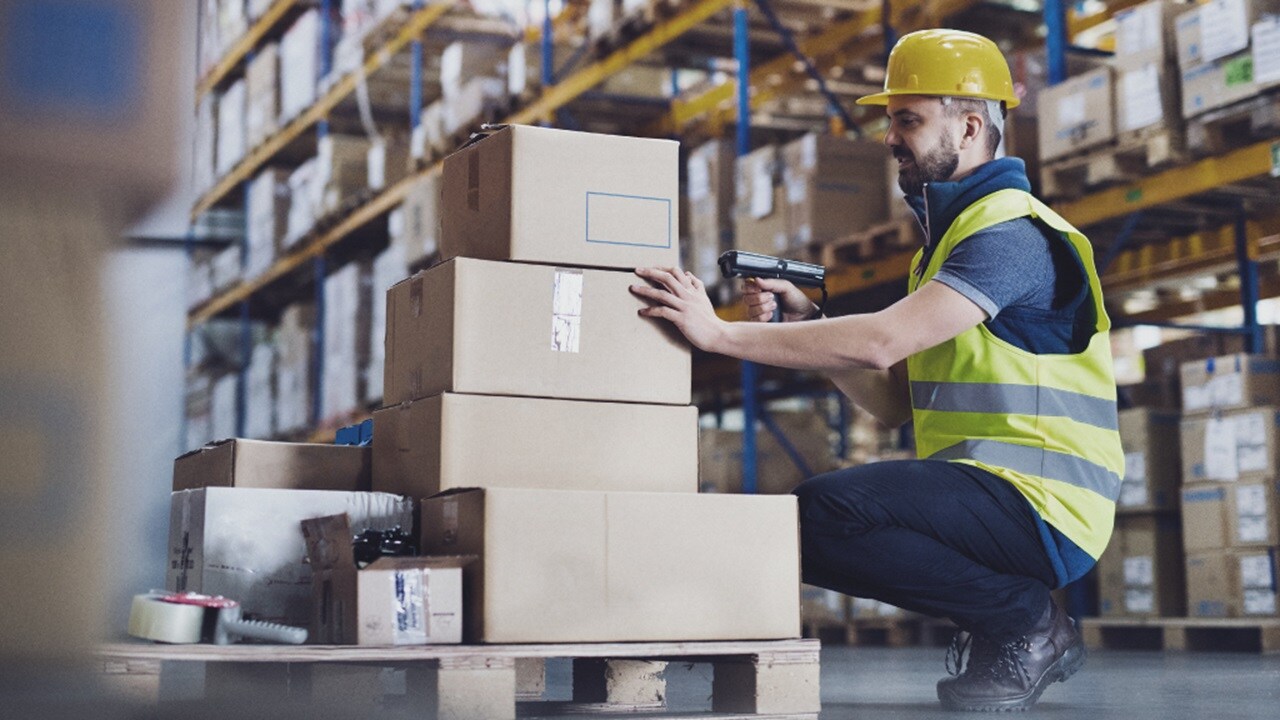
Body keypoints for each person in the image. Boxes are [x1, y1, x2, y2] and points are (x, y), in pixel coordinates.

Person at [630, 28, 1122, 712]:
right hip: (994, 495)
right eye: (891, 121)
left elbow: (880, 341)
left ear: (971, 124)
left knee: (824, 513)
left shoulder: (1010, 236)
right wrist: (803, 324)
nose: (891, 137)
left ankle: (1023, 621)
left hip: (1043, 503)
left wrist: (717, 335)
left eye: (909, 120)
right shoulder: (947, 249)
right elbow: (892, 402)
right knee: (815, 521)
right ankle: (1014, 618)